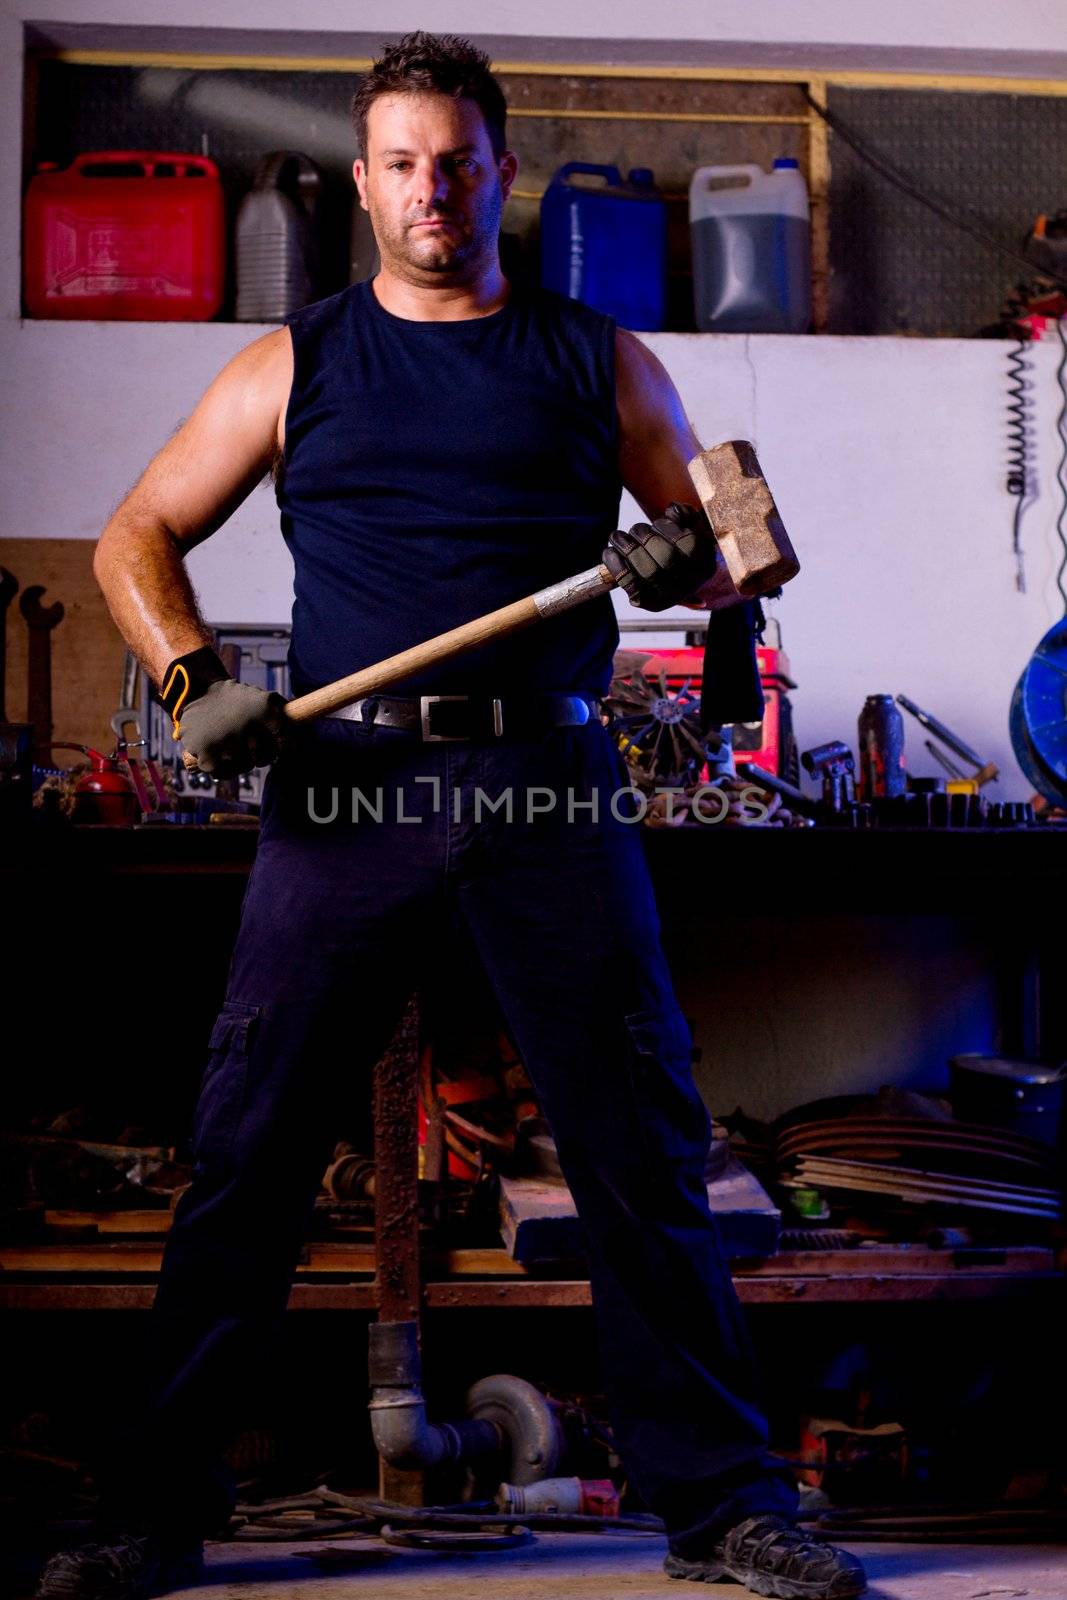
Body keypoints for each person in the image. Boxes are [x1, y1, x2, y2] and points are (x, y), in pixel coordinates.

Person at [37, 32, 866, 1600]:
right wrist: (189, 667)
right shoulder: (297, 363)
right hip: (344, 783)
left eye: (460, 162)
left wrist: (690, 555)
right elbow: (136, 532)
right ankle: (142, 1507)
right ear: (364, 184)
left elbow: (743, 540)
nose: (433, 189)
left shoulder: (595, 356)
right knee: (248, 1149)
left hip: (548, 777)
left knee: (638, 1144)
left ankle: (727, 1506)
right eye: (403, 163)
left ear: (502, 175)